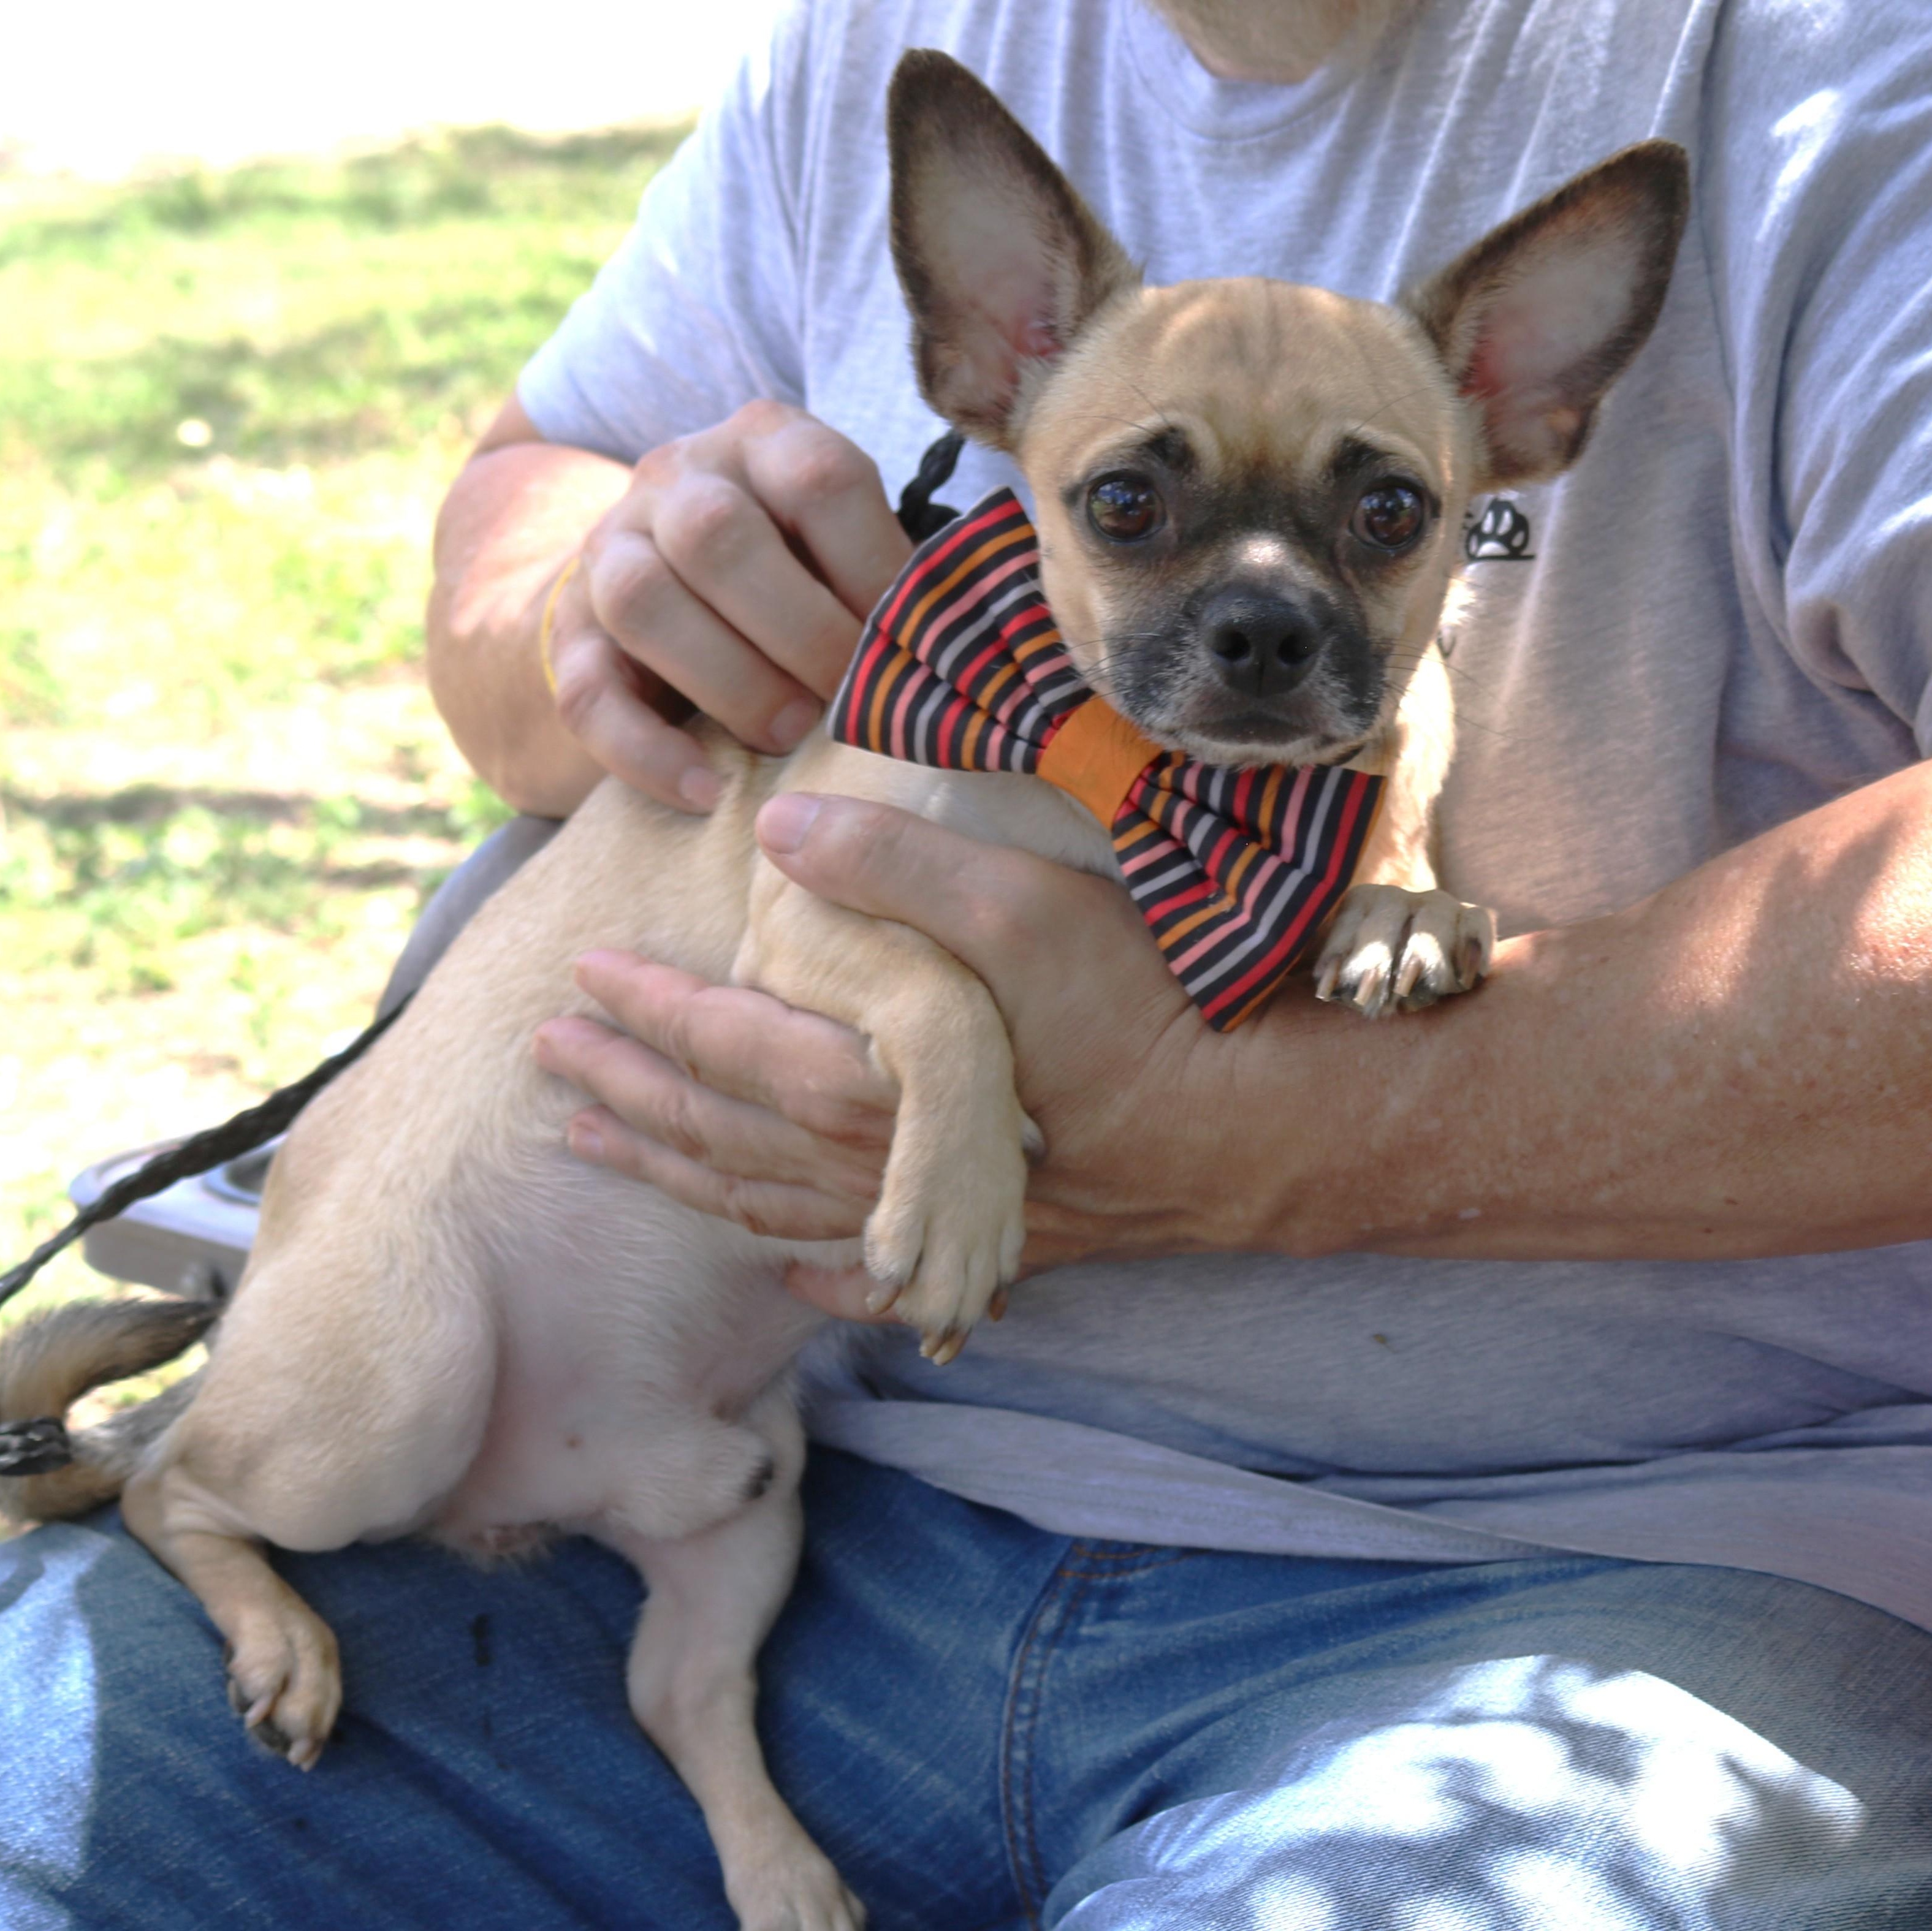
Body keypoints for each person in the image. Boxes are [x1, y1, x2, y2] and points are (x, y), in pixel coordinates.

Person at [8, 1, 1932, 1924]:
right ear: (989, 360)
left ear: (1527, 412)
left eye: (1373, 523)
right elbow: (531, 517)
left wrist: (1293, 1130)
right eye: (1131, 510)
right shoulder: (886, 43)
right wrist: (601, 599)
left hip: (1600, 1589)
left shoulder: (1843, 82)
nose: (1261, 615)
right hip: (749, 1461)